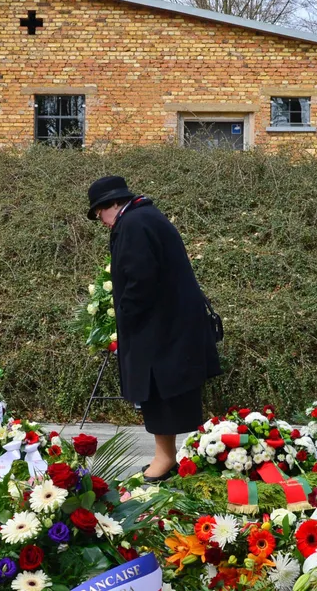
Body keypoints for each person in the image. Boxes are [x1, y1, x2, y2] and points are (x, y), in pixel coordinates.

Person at [87, 175, 222, 481]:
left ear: (112, 205)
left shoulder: (134, 224)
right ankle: (166, 457)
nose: (102, 222)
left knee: (159, 393)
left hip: (160, 329)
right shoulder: (143, 217)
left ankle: (165, 460)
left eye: (100, 214)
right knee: (161, 393)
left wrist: (125, 315)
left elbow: (140, 279)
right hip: (167, 326)